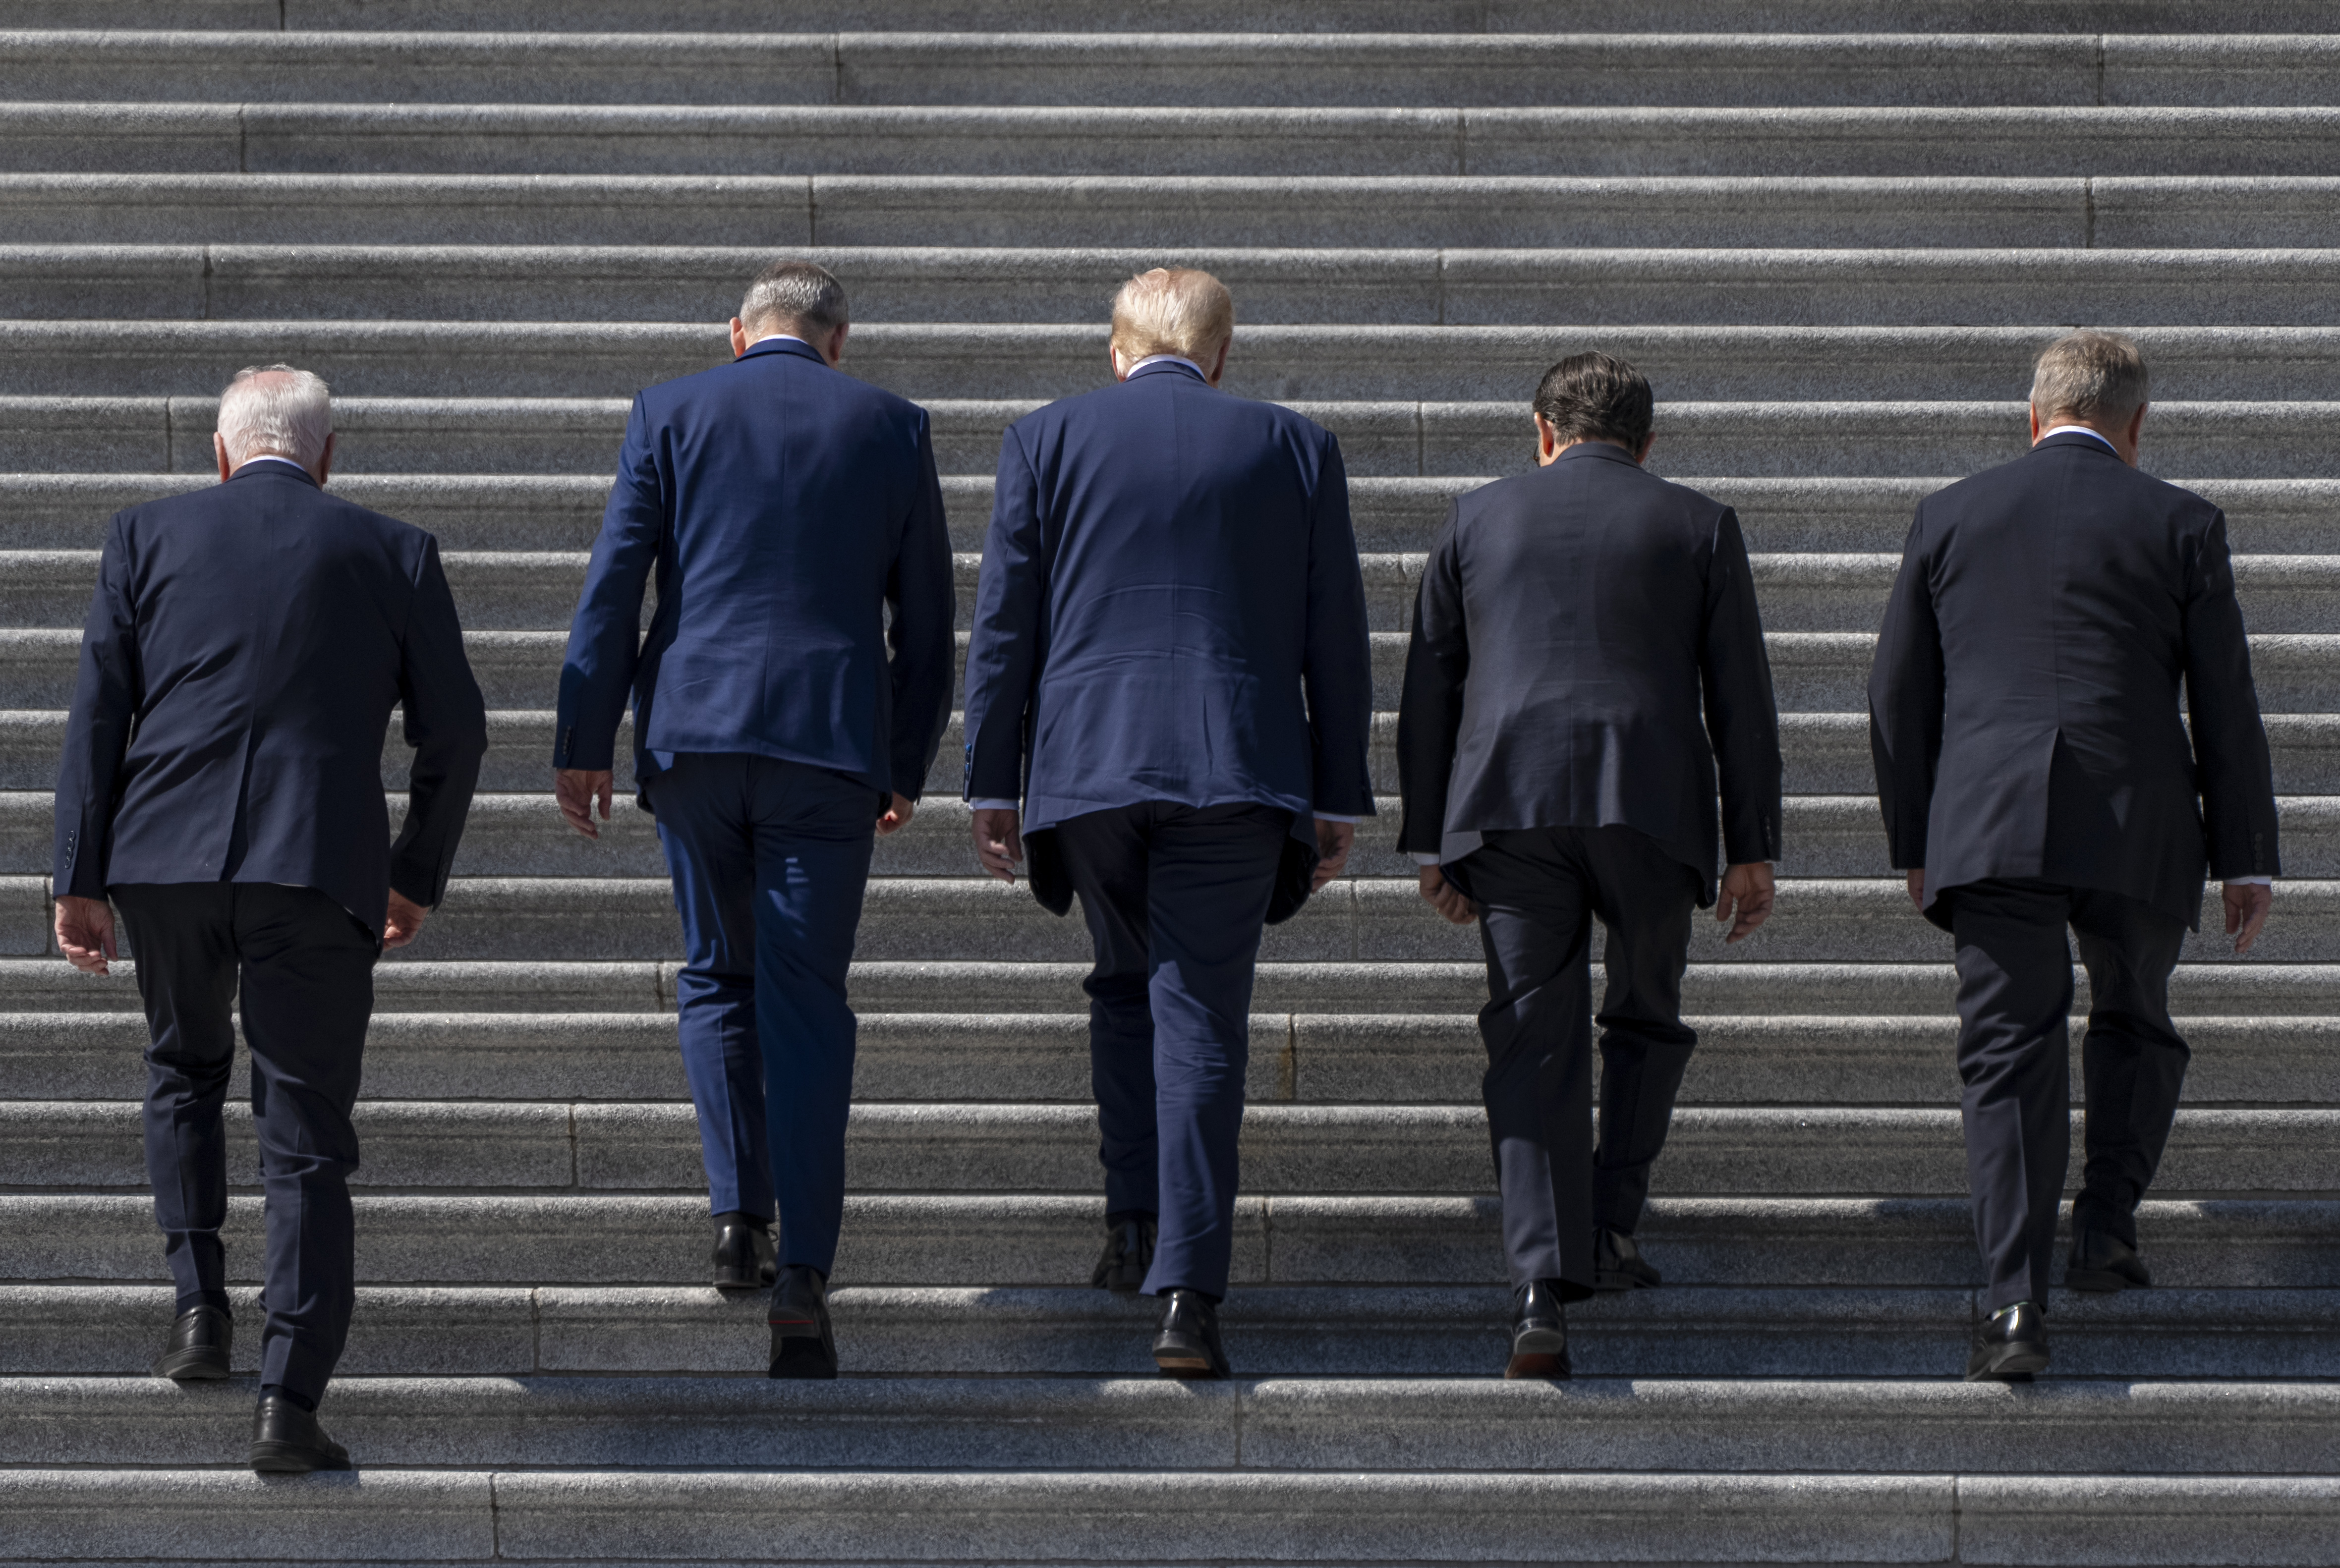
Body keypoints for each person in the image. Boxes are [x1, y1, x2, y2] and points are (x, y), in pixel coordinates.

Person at [52, 364, 486, 1471]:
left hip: (162, 860)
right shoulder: (395, 550)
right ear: (327, 456)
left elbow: (101, 707)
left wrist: (79, 874)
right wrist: (413, 872)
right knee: (304, 1141)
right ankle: (289, 1401)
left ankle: (199, 1305)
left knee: (182, 1066)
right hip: (315, 868)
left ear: (221, 452)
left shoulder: (143, 536)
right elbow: (459, 734)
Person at [963, 267, 1373, 1378]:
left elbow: (1006, 626)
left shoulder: (1044, 440)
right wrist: (1339, 793)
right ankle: (1187, 1291)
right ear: (1223, 354)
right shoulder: (1296, 447)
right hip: (1238, 771)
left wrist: (990, 780)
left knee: (1120, 982)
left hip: (1090, 767)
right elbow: (1335, 630)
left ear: (1116, 349)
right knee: (1199, 1016)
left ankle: (1131, 1218)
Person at [553, 260, 954, 1379]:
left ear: (737, 335)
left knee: (717, 975)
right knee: (806, 997)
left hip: (694, 735)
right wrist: (905, 761)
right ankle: (805, 1274)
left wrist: (583, 740)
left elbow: (615, 582)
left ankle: (739, 1215)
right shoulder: (892, 425)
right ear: (838, 342)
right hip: (828, 748)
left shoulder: (669, 411)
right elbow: (926, 621)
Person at [1869, 329, 2279, 1382]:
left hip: (1991, 820)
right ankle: (2106, 1223)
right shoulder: (2183, 520)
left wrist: (1916, 836)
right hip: (2138, 818)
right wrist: (2248, 856)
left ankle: (2015, 1302)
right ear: (2138, 427)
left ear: (2033, 411)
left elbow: (1897, 694)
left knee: (2009, 1056)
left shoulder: (1949, 513)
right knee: (2137, 1018)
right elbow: (2224, 700)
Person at [1395, 352, 1782, 1379]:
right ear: (1649, 445)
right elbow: (1741, 695)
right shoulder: (1699, 522)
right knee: (1647, 1017)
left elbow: (1430, 684)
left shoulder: (1476, 518)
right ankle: (1610, 1227)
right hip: (1651, 808)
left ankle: (1539, 1281)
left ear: (1542, 430)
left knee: (1533, 1037)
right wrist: (1753, 846)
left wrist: (1433, 838)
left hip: (1511, 810)